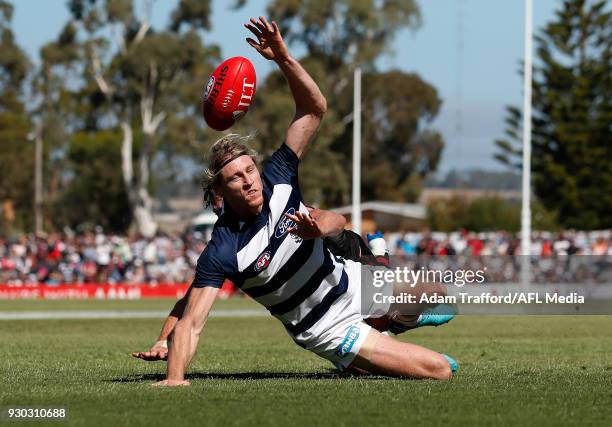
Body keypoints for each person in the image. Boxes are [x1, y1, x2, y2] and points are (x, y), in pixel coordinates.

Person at [153, 17, 457, 386]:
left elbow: (313, 110)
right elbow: (193, 321)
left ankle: (393, 320)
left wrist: (282, 57)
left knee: (437, 291)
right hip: (325, 326)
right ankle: (359, 353)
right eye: (236, 177)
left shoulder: (279, 177)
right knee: (440, 370)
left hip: (352, 283)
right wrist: (174, 378)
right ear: (220, 192)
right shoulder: (224, 248)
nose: (249, 180)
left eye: (249, 169)